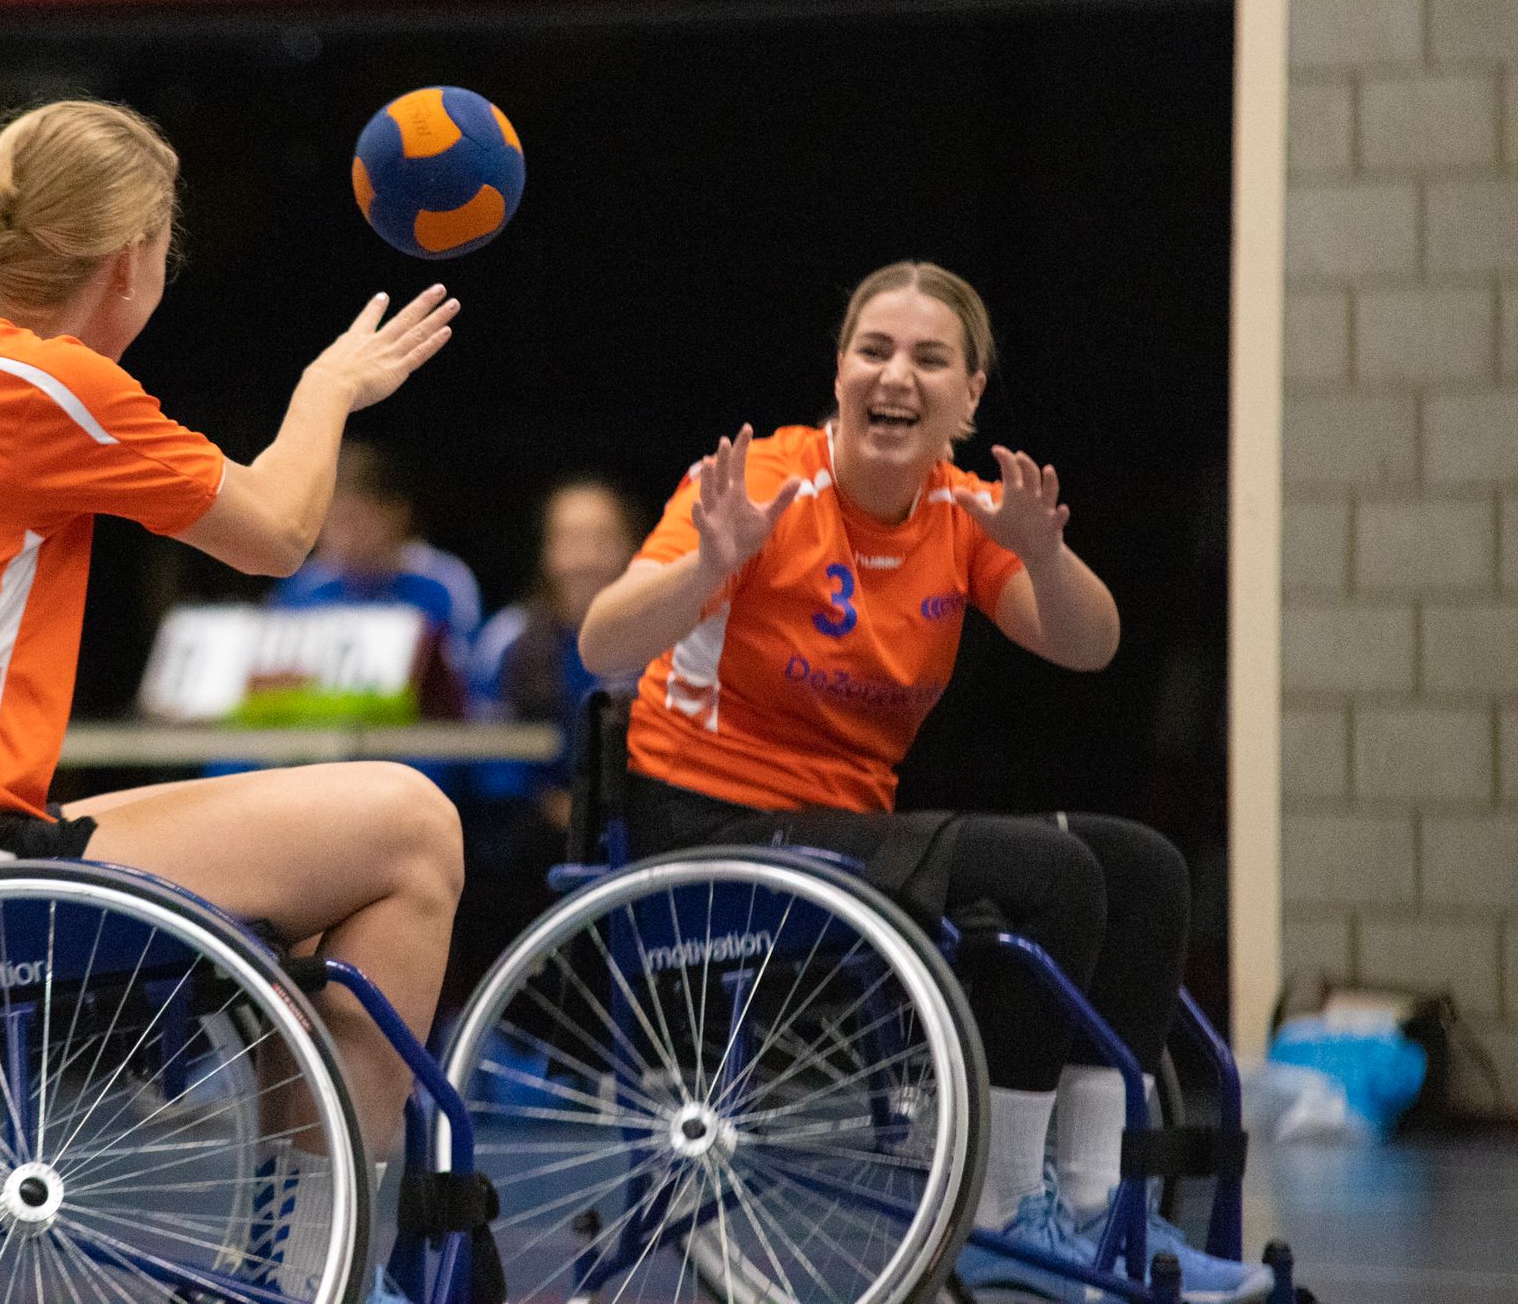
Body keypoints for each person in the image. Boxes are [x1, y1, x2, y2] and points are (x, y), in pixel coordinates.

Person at [0, 99, 462, 1301]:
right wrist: (329, 390)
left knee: (288, 862)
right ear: (130, 258)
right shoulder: (45, 383)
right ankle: (315, 1257)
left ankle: (302, 1242)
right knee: (411, 824)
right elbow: (280, 531)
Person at [576, 261, 1271, 1303]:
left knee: (1141, 865)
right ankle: (994, 1215)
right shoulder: (765, 483)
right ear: (841, 370)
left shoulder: (959, 509)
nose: (895, 374)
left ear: (969, 393)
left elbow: (1088, 644)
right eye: (873, 350)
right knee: (1052, 872)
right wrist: (704, 564)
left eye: (927, 357)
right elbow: (599, 643)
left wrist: (1042, 554)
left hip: (847, 831)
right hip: (716, 822)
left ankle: (1091, 1214)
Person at [448, 477, 642, 998]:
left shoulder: (667, 634)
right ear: (548, 552)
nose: (584, 558)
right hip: (532, 839)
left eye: (600, 539)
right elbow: (488, 762)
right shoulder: (507, 641)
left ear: (630, 546)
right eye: (569, 540)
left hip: (644, 826)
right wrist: (557, 806)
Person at [271, 437, 482, 692]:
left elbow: (463, 681)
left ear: (396, 514)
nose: (342, 538)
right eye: (329, 522)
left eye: (353, 520)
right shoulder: (303, 586)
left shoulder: (443, 582)